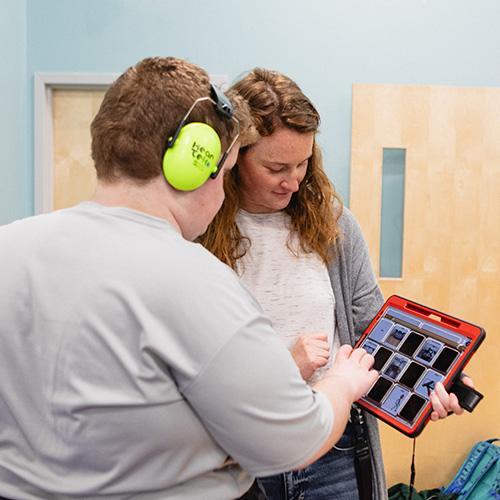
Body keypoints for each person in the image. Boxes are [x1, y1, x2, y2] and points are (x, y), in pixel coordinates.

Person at [0, 57, 379, 500]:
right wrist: (342, 383)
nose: (222, 192)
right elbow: (296, 438)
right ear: (191, 164)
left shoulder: (10, 247)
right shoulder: (197, 279)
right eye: (228, 167)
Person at [199, 68, 472, 500]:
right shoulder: (199, 228)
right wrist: (282, 368)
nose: (293, 180)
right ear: (234, 157)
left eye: (304, 162)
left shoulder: (334, 226)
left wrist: (432, 381)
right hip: (239, 458)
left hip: (335, 450)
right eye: (275, 167)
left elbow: (373, 335)